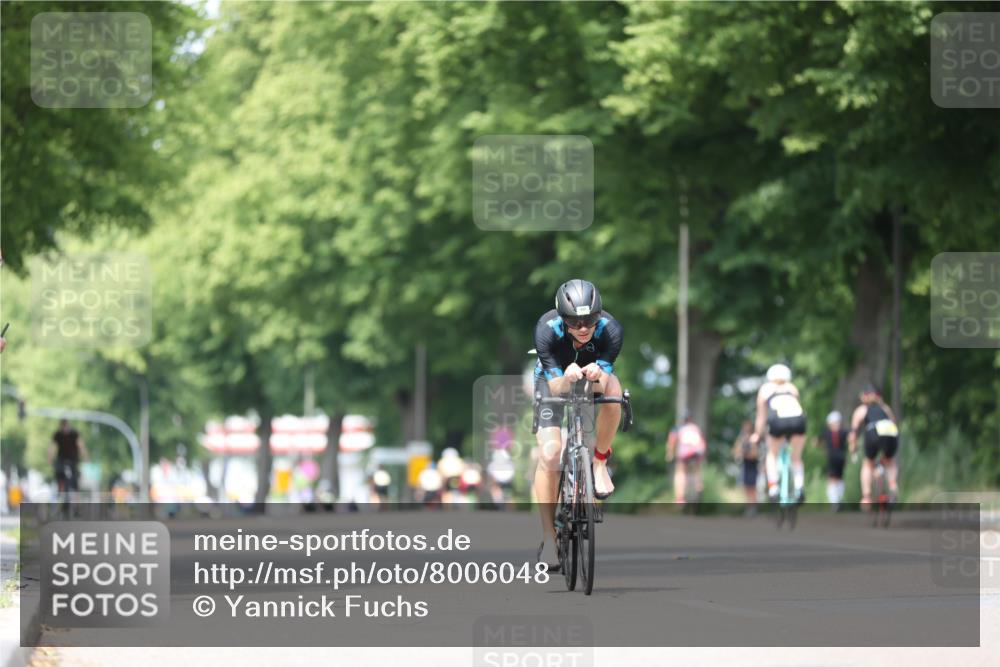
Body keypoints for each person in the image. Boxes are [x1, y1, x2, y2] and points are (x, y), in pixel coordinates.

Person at [533, 279, 624, 570]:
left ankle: (598, 462)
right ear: (562, 319)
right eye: (574, 321)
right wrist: (568, 376)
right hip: (554, 382)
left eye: (590, 320)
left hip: (592, 379)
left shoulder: (611, 330)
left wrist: (598, 374)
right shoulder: (546, 331)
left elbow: (605, 385)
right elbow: (556, 387)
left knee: (614, 395)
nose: (584, 328)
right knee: (550, 454)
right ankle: (549, 537)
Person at [752, 363, 807, 503]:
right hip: (798, 421)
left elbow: (761, 417)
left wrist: (757, 434)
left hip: (778, 422)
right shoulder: (792, 388)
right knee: (796, 457)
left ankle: (773, 488)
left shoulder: (765, 389)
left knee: (772, 454)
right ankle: (800, 488)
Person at [849, 384, 899, 508]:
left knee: (867, 464)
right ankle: (893, 485)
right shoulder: (885, 408)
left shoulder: (862, 409)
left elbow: (853, 433)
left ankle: (866, 497)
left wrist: (853, 448)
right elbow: (894, 422)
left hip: (874, 431)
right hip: (890, 432)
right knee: (890, 461)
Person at [666, 411, 707, 505]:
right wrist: (702, 456)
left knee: (680, 472)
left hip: (685, 453)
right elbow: (702, 442)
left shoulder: (679, 428)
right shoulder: (695, 428)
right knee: (697, 469)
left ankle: (680, 498)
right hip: (697, 452)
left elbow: (672, 440)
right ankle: (698, 484)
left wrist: (670, 454)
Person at [817, 411, 849, 511]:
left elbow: (817, 441)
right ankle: (839, 499)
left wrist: (823, 449)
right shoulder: (843, 431)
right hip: (841, 457)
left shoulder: (827, 432)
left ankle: (835, 501)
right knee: (839, 478)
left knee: (832, 479)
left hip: (832, 457)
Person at [48, 420, 88, 499]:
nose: (65, 429)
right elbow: (52, 447)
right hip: (61, 459)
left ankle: (77, 501)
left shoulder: (74, 434)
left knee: (76, 478)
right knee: (59, 474)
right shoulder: (58, 434)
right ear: (61, 427)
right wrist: (50, 458)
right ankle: (60, 489)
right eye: (64, 427)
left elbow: (81, 445)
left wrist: (85, 456)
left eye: (67, 426)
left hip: (73, 459)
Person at [731, 419, 758, 515]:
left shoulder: (753, 439)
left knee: (752, 487)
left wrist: (745, 454)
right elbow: (735, 451)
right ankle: (749, 507)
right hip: (745, 466)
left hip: (753, 465)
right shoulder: (741, 439)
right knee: (746, 487)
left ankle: (753, 508)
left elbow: (755, 454)